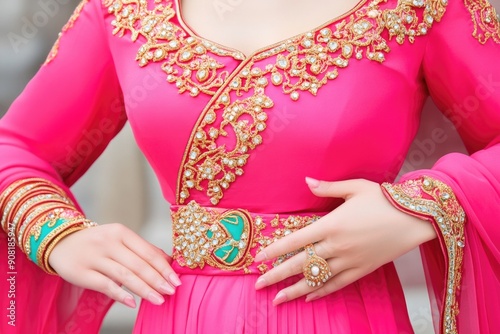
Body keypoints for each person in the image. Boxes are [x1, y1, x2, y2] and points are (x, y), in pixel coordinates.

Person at [1, 0, 499, 333]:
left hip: (342, 308)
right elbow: (17, 146)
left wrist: (419, 207)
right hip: (181, 311)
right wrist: (57, 233)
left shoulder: (420, 9)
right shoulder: (125, 10)